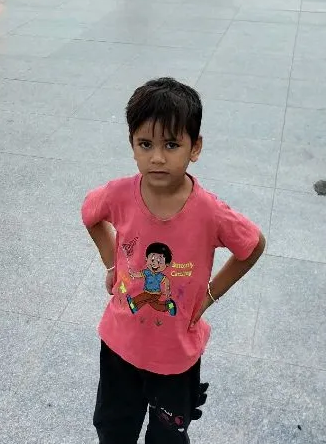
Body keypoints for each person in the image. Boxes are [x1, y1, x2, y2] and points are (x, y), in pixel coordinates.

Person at [82, 77, 266, 444]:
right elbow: (90, 215)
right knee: (114, 427)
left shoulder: (209, 212)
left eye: (172, 144)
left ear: (195, 147)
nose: (157, 157)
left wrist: (210, 295)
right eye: (145, 144)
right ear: (132, 144)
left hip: (176, 355)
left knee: (167, 434)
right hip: (120, 344)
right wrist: (111, 265)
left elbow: (252, 245)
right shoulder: (119, 193)